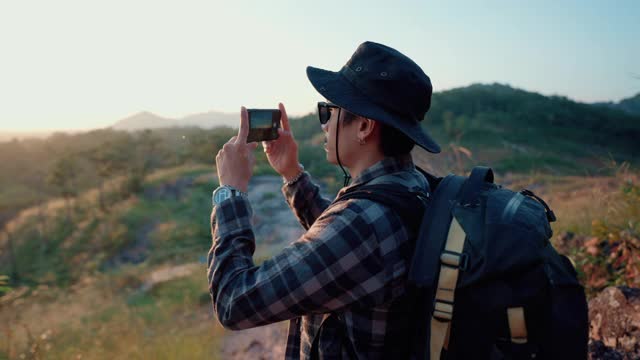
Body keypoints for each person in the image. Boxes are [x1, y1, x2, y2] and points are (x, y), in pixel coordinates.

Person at [209, 41, 441, 359]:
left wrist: (231, 193)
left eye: (328, 111)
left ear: (363, 126)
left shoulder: (363, 224)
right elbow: (344, 250)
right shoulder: (412, 185)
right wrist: (292, 174)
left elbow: (233, 302)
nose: (325, 124)